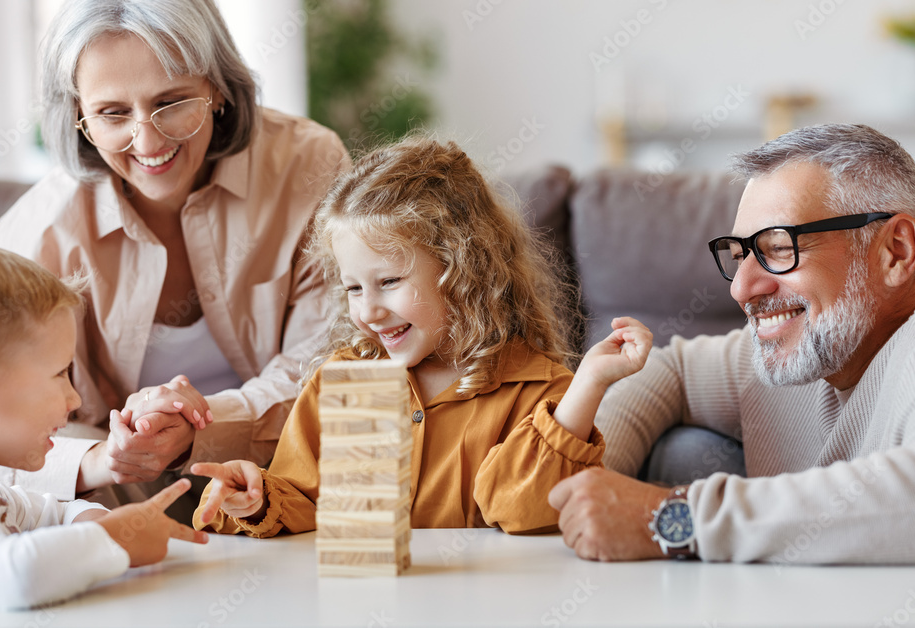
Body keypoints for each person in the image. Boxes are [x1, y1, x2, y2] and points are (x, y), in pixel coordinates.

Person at [0, 0, 349, 511]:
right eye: (112, 113)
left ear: (217, 88)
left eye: (173, 101)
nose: (148, 141)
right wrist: (99, 456)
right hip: (113, 510)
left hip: (290, 487)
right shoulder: (38, 234)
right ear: (76, 114)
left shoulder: (306, 166)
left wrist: (197, 428)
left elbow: (333, 365)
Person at [188, 137, 652, 536]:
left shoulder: (538, 390)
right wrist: (256, 496)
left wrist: (589, 385)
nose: (368, 310)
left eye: (389, 282)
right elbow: (303, 498)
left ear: (463, 269)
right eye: (354, 287)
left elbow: (519, 508)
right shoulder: (342, 381)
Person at [548, 123, 915, 564]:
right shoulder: (806, 348)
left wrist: (668, 519)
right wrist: (586, 482)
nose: (741, 290)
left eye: (779, 247)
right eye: (740, 255)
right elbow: (673, 370)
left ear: (895, 251)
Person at [0, 237, 208, 620]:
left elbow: (60, 514)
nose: (74, 401)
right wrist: (116, 538)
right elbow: (19, 574)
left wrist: (102, 523)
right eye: (59, 374)